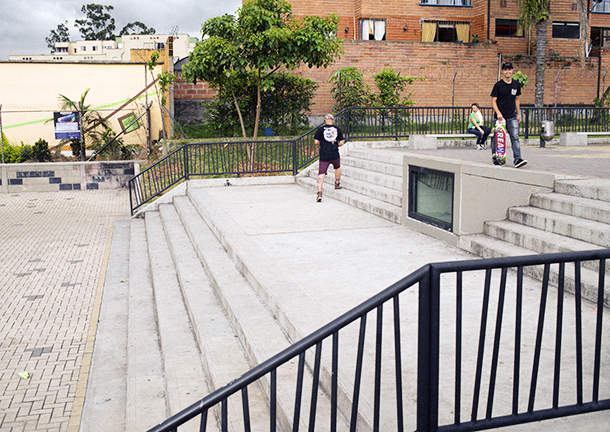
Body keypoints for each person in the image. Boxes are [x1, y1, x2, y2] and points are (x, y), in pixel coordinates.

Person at [490, 62, 527, 168]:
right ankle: (496, 158)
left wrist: (519, 114)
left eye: (509, 69)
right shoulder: (498, 85)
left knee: (515, 137)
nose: (507, 72)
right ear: (502, 71)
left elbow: (517, 99)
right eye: (505, 70)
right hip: (500, 117)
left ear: (512, 71)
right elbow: (493, 101)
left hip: (512, 116)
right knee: (498, 137)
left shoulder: (516, 84)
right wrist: (498, 113)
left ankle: (518, 159)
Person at [314, 113, 345, 202]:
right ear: (333, 120)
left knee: (321, 173)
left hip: (324, 154)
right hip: (334, 153)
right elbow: (342, 142)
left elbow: (316, 142)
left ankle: (319, 192)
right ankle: (337, 183)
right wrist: (336, 145)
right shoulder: (337, 129)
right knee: (337, 167)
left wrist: (322, 144)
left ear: (325, 120)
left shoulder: (320, 130)